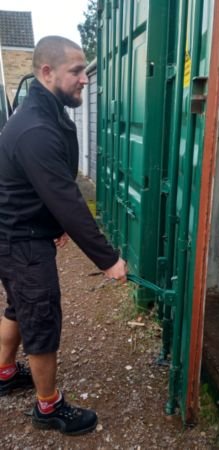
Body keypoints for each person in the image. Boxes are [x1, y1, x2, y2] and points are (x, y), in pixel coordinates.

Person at [0, 36, 127, 435]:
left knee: (20, 307)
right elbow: (67, 199)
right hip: (20, 241)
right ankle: (48, 408)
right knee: (40, 317)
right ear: (46, 72)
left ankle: (4, 373)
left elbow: (43, 188)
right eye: (76, 70)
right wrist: (108, 259)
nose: (84, 79)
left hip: (18, 232)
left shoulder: (46, 110)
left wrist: (50, 227)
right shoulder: (35, 127)